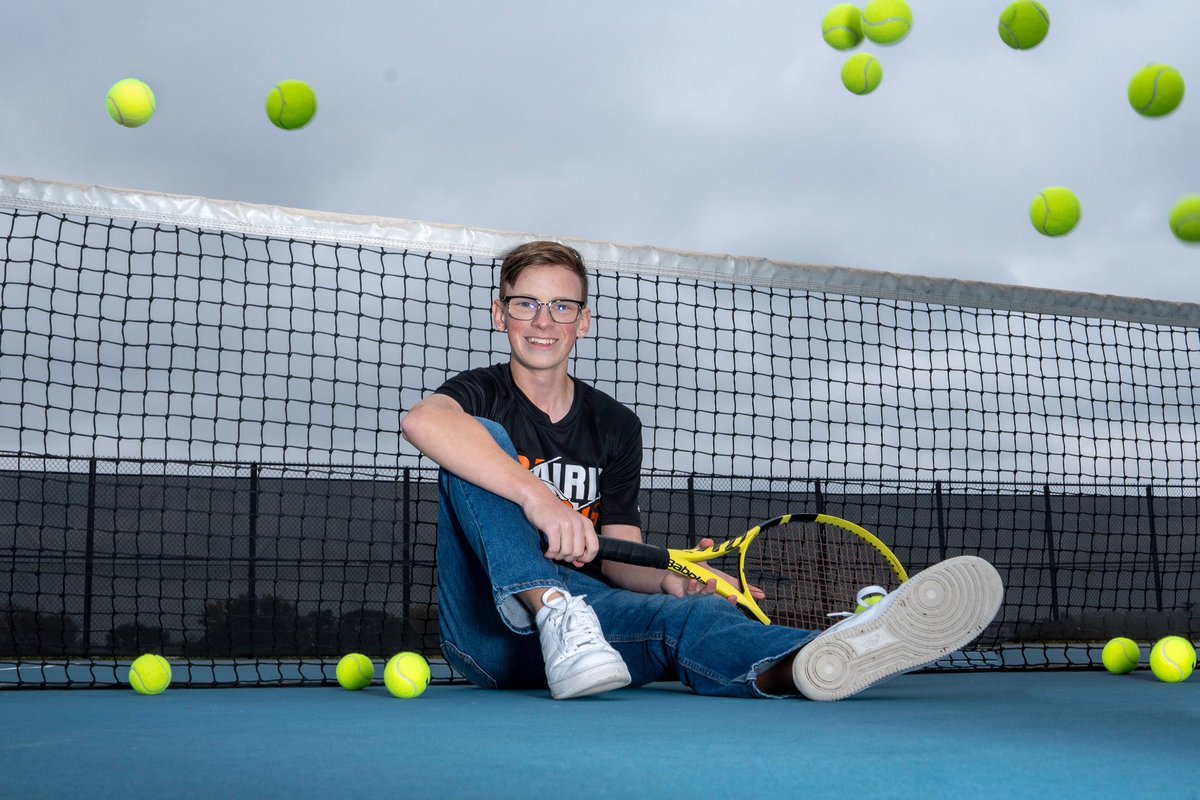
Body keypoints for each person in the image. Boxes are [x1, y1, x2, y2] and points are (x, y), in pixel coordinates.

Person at [400, 240, 1003, 700]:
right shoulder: (479, 396)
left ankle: (817, 657)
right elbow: (424, 421)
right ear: (500, 315)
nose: (543, 321)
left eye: (562, 306)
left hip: (591, 636)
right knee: (476, 443)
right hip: (493, 629)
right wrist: (540, 498)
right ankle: (550, 605)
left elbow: (618, 553)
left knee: (696, 614)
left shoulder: (614, 425)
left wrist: (668, 580)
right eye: (526, 304)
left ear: (583, 321)